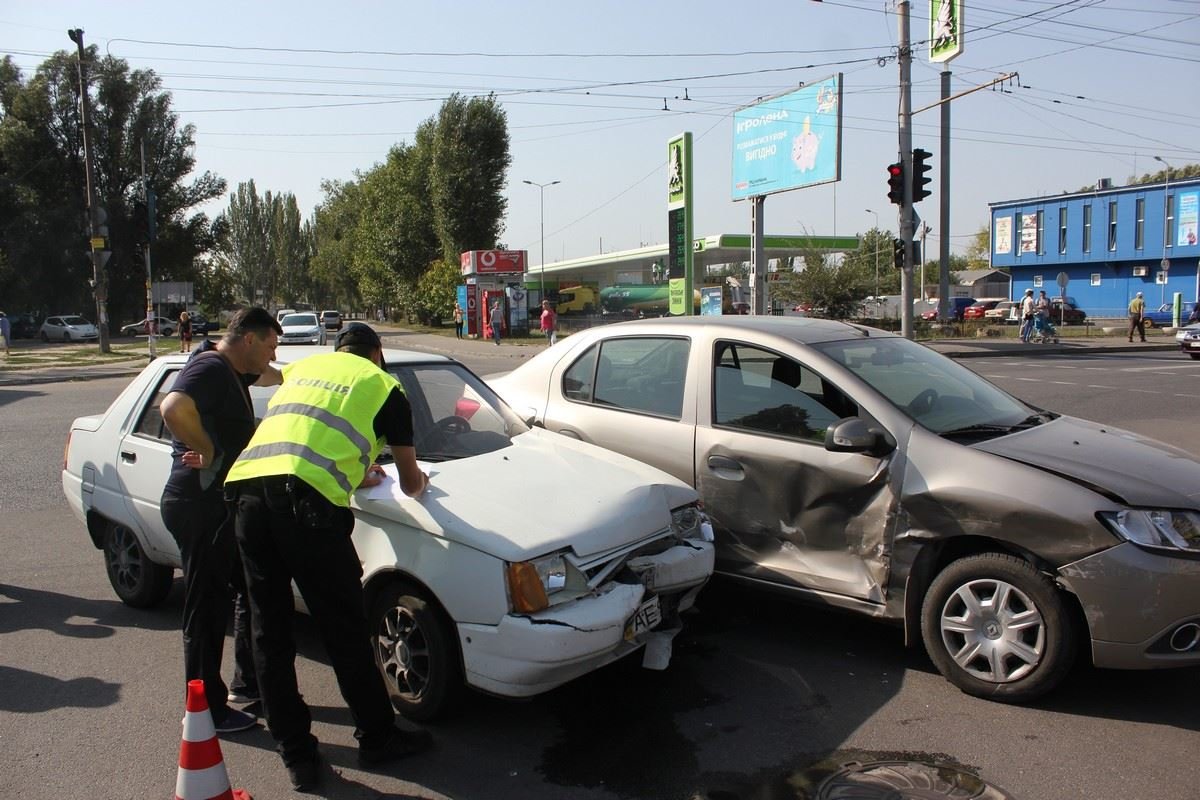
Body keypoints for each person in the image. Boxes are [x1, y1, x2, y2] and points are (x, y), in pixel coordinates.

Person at [225, 322, 432, 791]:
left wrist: (356, 473)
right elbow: (411, 478)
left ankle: (297, 756)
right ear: (378, 354)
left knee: (270, 632)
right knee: (344, 628)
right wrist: (418, 483)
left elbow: (309, 441)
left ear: (338, 350)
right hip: (307, 512)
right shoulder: (385, 387)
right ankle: (379, 738)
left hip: (248, 499)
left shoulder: (306, 368)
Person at [159, 307, 283, 735]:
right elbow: (172, 407)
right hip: (200, 505)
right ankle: (205, 711)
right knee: (205, 611)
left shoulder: (230, 367)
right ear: (248, 339)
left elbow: (269, 378)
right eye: (270, 345)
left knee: (248, 589)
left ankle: (246, 686)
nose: (273, 355)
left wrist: (286, 374)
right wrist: (208, 449)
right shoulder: (212, 367)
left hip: (213, 505)